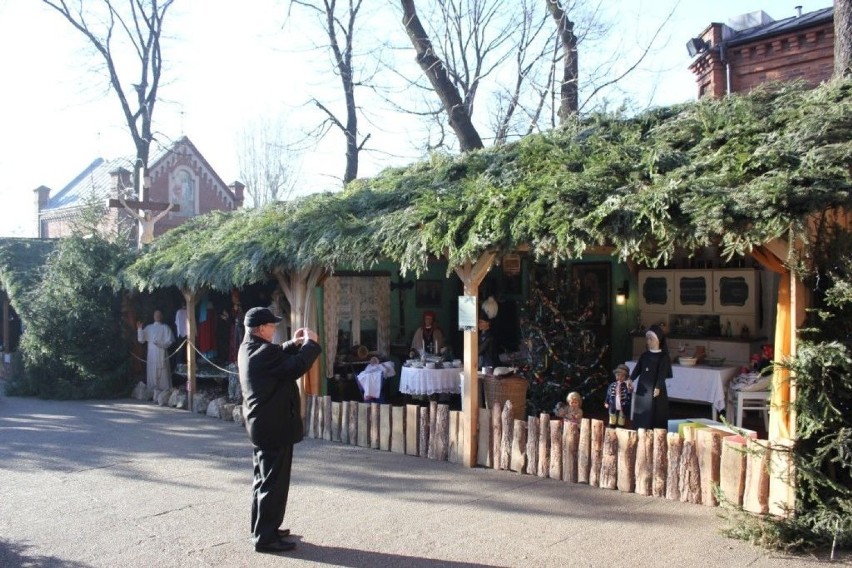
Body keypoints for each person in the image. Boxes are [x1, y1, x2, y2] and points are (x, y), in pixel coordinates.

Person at [239, 306, 322, 554]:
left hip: (263, 426)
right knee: (272, 483)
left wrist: (293, 343)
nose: (275, 329)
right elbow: (295, 367)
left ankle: (264, 527)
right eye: (272, 325)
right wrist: (311, 345)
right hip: (273, 426)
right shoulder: (262, 352)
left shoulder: (249, 348)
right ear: (261, 328)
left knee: (263, 480)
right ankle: (266, 538)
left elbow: (276, 354)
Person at [629, 324, 671, 430]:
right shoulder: (644, 355)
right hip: (643, 388)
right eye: (647, 339)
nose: (648, 341)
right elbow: (638, 369)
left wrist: (658, 387)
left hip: (655, 388)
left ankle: (654, 430)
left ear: (657, 340)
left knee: (655, 410)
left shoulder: (663, 357)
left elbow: (662, 374)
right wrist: (630, 379)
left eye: (651, 339)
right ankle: (640, 427)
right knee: (642, 408)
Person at [137, 310, 175, 390]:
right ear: (153, 316)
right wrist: (140, 329)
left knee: (163, 372)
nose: (157, 316)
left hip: (162, 353)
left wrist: (160, 344)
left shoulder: (165, 327)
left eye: (159, 314)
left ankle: (164, 390)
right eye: (155, 315)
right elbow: (141, 340)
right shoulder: (149, 327)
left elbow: (170, 341)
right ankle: (152, 390)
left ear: (161, 316)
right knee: (152, 371)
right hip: (152, 354)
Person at [605, 364, 633, 428]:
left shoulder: (626, 386)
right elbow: (608, 394)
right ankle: (612, 425)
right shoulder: (612, 385)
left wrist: (629, 389)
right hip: (613, 403)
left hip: (622, 405)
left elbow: (629, 395)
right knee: (612, 415)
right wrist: (606, 402)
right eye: (618, 375)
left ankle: (621, 426)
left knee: (622, 416)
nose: (620, 377)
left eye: (622, 376)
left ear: (625, 377)